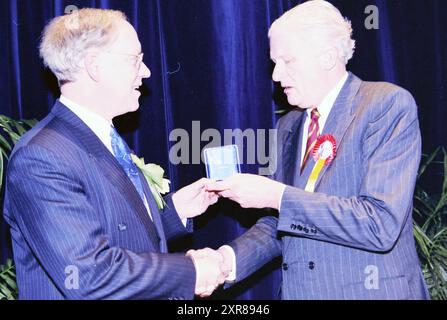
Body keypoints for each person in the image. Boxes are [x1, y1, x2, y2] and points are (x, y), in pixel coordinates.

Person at [204, 0, 430, 299]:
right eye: (274, 63)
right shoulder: (288, 127)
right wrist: (224, 262)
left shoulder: (385, 106)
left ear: (326, 57)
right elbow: (279, 223)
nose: (275, 75)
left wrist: (276, 195)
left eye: (287, 61)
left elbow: (379, 223)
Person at [3, 8, 226, 300]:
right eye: (136, 59)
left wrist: (175, 212)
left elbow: (117, 234)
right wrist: (192, 271)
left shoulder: (101, 137)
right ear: (95, 66)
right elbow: (89, 275)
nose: (145, 72)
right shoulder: (40, 157)